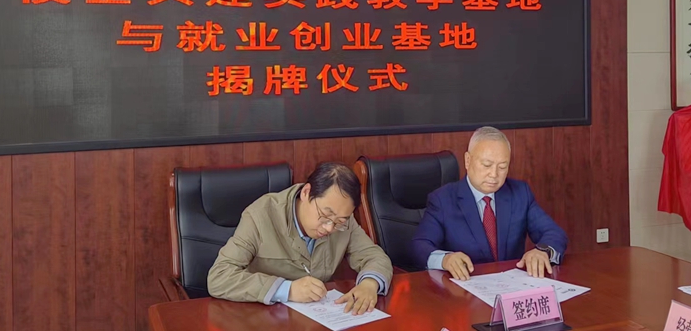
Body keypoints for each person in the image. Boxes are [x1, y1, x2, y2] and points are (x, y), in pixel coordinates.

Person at [208, 162, 393, 315]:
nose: (330, 228)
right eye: (325, 216)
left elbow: (374, 256)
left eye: (339, 221)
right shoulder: (261, 215)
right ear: (306, 192)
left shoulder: (343, 219)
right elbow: (220, 277)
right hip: (264, 318)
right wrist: (286, 289)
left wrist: (370, 284)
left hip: (319, 317)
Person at [412, 126, 567, 280]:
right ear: (468, 160)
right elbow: (419, 246)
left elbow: (554, 233)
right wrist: (445, 259)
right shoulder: (443, 199)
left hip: (511, 285)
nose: (494, 174)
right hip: (464, 287)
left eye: (502, 167)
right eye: (487, 165)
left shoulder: (520, 193)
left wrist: (543, 251)